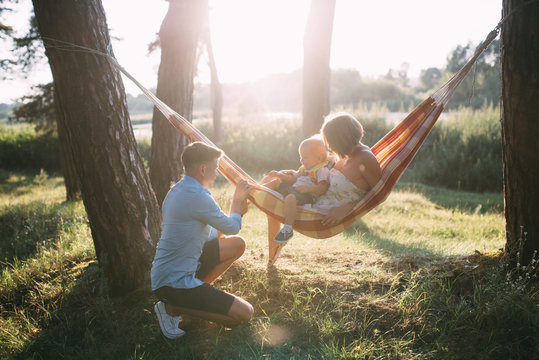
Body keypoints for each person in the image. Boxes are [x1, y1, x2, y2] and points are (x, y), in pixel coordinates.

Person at [151, 141, 254, 339]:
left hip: (166, 275)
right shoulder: (197, 196)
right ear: (203, 168)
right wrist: (236, 201)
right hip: (174, 283)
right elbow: (231, 226)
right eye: (215, 169)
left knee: (237, 244)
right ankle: (173, 309)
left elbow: (217, 234)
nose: (216, 174)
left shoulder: (177, 190)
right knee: (244, 314)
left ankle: (190, 299)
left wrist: (237, 213)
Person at [266, 113, 382, 245]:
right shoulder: (344, 153)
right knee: (272, 185)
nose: (329, 147)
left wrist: (349, 208)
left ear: (341, 140)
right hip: (315, 200)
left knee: (280, 197)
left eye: (331, 142)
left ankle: (282, 228)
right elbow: (319, 170)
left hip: (323, 213)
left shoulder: (365, 158)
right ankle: (245, 200)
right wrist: (296, 173)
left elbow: (379, 194)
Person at [262, 136, 331, 244]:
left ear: (318, 158)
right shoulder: (303, 169)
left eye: (305, 157)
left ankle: (288, 229)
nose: (301, 160)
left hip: (307, 196)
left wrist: (308, 189)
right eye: (301, 157)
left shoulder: (321, 170)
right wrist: (280, 175)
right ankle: (256, 191)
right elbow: (292, 179)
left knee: (290, 198)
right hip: (294, 191)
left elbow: (323, 188)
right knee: (276, 182)